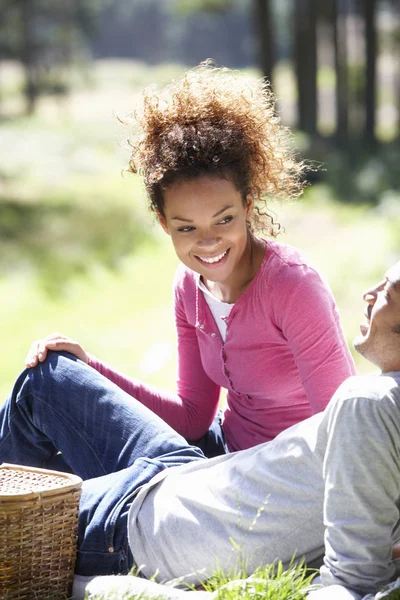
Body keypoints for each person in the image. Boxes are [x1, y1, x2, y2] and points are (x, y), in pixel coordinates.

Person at [1, 260, 400, 600]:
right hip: (186, 475)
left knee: (13, 513)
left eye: (388, 294)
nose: (369, 293)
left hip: (140, 527)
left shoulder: (369, 402)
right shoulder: (380, 406)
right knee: (50, 376)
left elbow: (353, 579)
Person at [24, 62, 355, 457]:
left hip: (282, 481)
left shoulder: (292, 287)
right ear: (164, 224)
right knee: (49, 377)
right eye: (186, 228)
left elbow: (344, 431)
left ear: (248, 206)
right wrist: (88, 365)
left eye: (224, 219)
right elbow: (193, 417)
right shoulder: (188, 287)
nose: (209, 242)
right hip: (219, 455)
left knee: (110, 493)